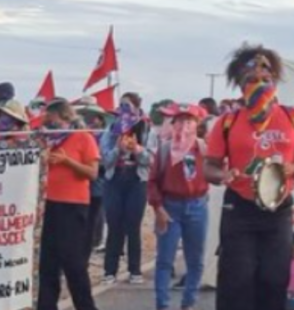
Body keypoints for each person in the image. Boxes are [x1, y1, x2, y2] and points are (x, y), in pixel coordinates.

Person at [205, 44, 294, 310]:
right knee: (237, 279)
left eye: (266, 80)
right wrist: (224, 174)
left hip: (279, 209)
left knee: (274, 279)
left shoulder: (293, 117)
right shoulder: (228, 121)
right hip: (240, 208)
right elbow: (208, 167)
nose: (260, 84)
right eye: (252, 80)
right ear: (241, 85)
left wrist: (292, 169)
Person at [37, 99, 100, 310]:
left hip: (73, 206)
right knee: (48, 263)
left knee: (73, 264)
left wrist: (67, 161)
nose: (48, 123)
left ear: (64, 117)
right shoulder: (47, 140)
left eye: (52, 119)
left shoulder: (83, 138)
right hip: (48, 204)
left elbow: (92, 173)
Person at [150, 102, 210, 310]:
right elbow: (153, 181)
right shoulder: (165, 149)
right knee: (165, 260)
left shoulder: (204, 148)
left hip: (197, 206)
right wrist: (158, 208)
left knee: (196, 260)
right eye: (179, 121)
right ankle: (162, 305)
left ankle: (188, 303)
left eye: (189, 120)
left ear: (197, 124)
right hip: (170, 206)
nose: (184, 126)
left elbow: (216, 173)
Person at [100, 96, 153, 285]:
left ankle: (134, 270)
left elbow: (151, 160)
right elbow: (105, 161)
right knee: (114, 225)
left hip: (136, 180)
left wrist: (137, 149)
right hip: (114, 180)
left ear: (137, 109)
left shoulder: (146, 129)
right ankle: (110, 270)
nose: (124, 112)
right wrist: (118, 150)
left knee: (133, 226)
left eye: (128, 107)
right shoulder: (111, 130)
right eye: (121, 107)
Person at [73, 97, 112, 257]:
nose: (89, 120)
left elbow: (105, 160)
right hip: (80, 183)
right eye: (85, 116)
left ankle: (93, 243)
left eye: (92, 116)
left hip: (97, 182)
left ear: (100, 119)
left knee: (95, 216)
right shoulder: (79, 134)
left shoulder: (106, 136)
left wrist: (92, 163)